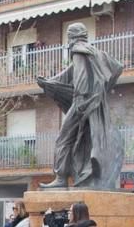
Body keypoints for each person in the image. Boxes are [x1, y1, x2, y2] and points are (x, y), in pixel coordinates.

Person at [36, 21, 123, 189]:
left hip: (82, 102)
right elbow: (116, 68)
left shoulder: (78, 50)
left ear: (71, 37)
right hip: (96, 103)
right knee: (90, 138)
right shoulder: (96, 52)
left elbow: (81, 76)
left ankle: (61, 178)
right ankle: (89, 176)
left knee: (64, 139)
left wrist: (82, 98)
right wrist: (50, 82)